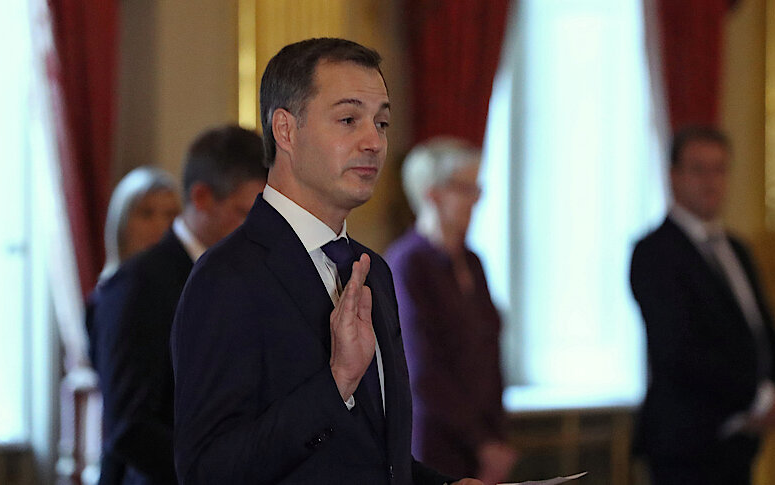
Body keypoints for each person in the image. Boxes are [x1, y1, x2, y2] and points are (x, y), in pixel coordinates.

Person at [171, 38, 483, 485]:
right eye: (348, 119)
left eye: (382, 122)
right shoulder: (229, 276)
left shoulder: (372, 269)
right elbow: (207, 471)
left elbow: (374, 458)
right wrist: (336, 382)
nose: (374, 141)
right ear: (286, 130)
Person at [89, 124, 267, 485]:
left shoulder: (251, 273)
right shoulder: (138, 284)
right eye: (243, 212)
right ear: (201, 198)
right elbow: (130, 426)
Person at [629, 126, 775, 485]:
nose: (710, 181)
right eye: (698, 169)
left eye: (719, 169)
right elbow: (680, 349)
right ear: (674, 176)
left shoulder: (737, 249)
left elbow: (761, 329)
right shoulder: (654, 253)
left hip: (740, 443)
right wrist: (757, 397)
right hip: (686, 445)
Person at [385, 138, 516, 484]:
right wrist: (482, 443)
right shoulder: (408, 264)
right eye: (465, 189)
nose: (476, 201)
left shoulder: (473, 262)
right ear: (432, 194)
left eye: (478, 189)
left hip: (484, 445)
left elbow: (489, 352)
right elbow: (421, 370)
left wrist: (495, 440)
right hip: (434, 443)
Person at [98, 166, 181, 283]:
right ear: (122, 222)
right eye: (146, 214)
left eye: (170, 215)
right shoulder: (107, 293)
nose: (161, 226)